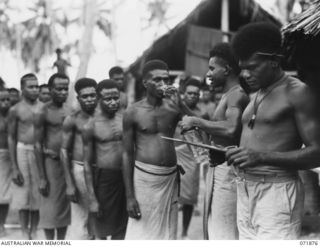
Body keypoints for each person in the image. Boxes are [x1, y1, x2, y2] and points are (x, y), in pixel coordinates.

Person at [226, 22, 320, 240]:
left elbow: (318, 153)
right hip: (245, 189)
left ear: (274, 61)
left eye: (252, 67)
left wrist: (260, 157)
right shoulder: (257, 93)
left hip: (276, 192)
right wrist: (232, 152)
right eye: (242, 67)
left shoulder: (297, 93)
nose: (245, 74)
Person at [180, 42, 249, 240]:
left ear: (226, 69)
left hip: (229, 170)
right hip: (220, 168)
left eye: (212, 68)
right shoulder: (228, 94)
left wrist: (196, 121)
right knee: (216, 228)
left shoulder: (236, 94)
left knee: (224, 231)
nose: (208, 73)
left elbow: (230, 128)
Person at [123, 59, 193, 240]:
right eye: (158, 80)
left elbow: (197, 127)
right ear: (145, 83)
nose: (164, 84)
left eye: (166, 79)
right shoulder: (133, 111)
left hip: (169, 178)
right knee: (141, 231)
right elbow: (127, 153)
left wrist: (181, 104)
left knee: (168, 233)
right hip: (144, 179)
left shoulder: (173, 107)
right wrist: (130, 196)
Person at [82, 79, 128, 239]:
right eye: (108, 99)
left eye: (116, 98)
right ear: (98, 99)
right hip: (104, 180)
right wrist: (92, 198)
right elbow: (87, 164)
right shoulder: (91, 125)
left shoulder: (126, 119)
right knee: (100, 227)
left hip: (126, 178)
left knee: (123, 227)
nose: (113, 102)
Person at [34, 73, 71, 240]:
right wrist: (42, 177)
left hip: (67, 164)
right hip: (50, 164)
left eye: (66, 88)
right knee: (49, 206)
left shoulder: (70, 110)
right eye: (59, 89)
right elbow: (37, 144)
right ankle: (49, 242)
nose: (63, 92)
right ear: (50, 90)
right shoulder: (42, 111)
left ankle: (61, 242)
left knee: (64, 205)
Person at [60, 78, 98, 240]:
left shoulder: (105, 117)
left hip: (102, 170)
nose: (89, 99)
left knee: (99, 212)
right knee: (81, 215)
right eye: (85, 96)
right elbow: (63, 151)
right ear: (78, 98)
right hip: (80, 169)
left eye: (92, 95)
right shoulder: (73, 119)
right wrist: (69, 184)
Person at [8, 73, 41, 240]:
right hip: (22, 150)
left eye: (37, 86)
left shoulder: (44, 107)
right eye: (31, 86)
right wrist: (14, 167)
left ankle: (34, 230)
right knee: (22, 192)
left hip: (39, 153)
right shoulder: (16, 109)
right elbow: (11, 137)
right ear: (22, 88)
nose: (35, 89)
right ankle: (23, 231)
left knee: (37, 192)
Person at [174, 78, 207, 239]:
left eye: (196, 93)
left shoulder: (201, 114)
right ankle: (171, 231)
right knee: (171, 197)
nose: (193, 96)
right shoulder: (173, 110)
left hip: (191, 158)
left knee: (188, 199)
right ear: (183, 94)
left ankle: (184, 233)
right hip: (173, 154)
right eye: (190, 93)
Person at [0, 89, 12, 237]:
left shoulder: (12, 116)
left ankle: (2, 224)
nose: (5, 103)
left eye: (7, 99)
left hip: (9, 157)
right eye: (1, 100)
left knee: (6, 194)